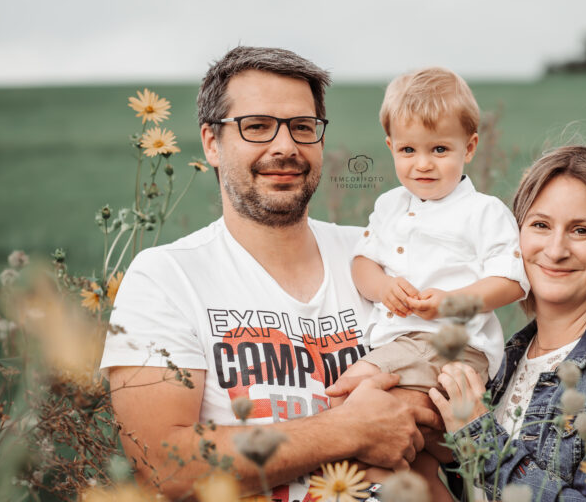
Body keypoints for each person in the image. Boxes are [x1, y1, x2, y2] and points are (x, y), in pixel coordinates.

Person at [99, 46, 441, 502]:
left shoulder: (377, 253)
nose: (285, 147)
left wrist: (414, 407)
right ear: (211, 142)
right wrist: (347, 430)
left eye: (303, 128)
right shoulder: (164, 279)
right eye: (256, 127)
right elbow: (164, 465)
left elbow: (455, 393)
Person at [334, 67, 529, 497]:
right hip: (401, 344)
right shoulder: (389, 205)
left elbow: (512, 281)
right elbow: (363, 263)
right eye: (408, 150)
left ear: (470, 147)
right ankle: (443, 472)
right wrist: (383, 288)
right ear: (390, 147)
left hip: (451, 347)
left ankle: (450, 454)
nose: (423, 164)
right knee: (405, 466)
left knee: (347, 398)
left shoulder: (483, 211)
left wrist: (454, 302)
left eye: (440, 149)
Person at [429, 145, 586, 501]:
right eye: (540, 225)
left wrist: (481, 438)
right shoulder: (503, 358)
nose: (555, 250)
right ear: (514, 235)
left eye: (581, 231)